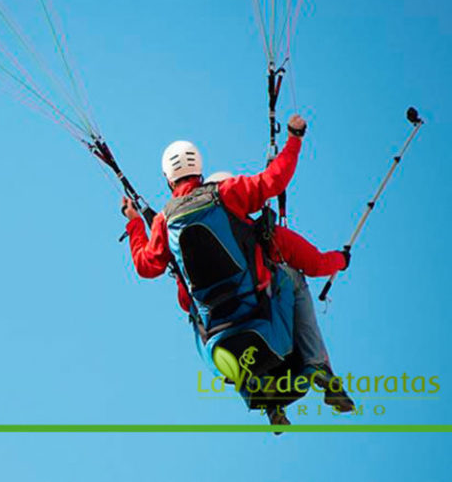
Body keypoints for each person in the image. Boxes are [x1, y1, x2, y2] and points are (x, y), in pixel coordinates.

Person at [121, 115, 352, 425]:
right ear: (201, 172)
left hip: (218, 347)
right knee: (293, 278)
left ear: (167, 178)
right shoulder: (227, 194)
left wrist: (136, 223)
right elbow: (275, 181)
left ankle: (265, 403)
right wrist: (294, 138)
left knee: (191, 310)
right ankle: (316, 365)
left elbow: (145, 266)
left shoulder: (163, 221)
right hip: (261, 316)